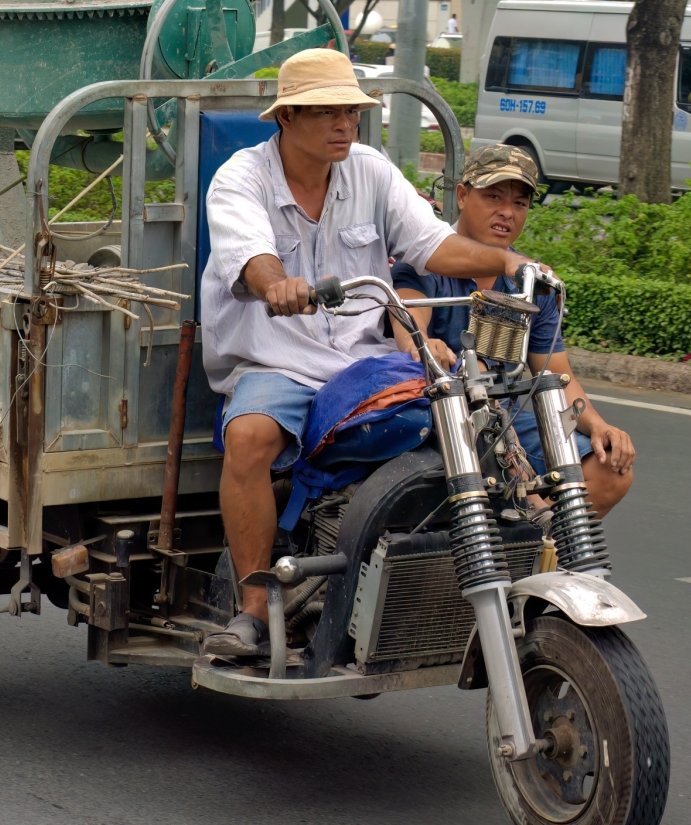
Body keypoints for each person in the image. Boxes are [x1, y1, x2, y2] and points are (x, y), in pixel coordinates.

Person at [200, 48, 543, 658]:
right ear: (288, 117)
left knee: (463, 413)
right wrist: (276, 284)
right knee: (250, 437)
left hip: (363, 360)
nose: (344, 126)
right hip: (276, 360)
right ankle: (254, 611)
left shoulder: (372, 172)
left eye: (351, 114)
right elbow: (250, 256)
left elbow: (435, 244)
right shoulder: (240, 178)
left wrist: (509, 262)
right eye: (328, 113)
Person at [390, 144, 635, 519]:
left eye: (519, 203)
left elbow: (554, 373)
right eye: (493, 197)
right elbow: (410, 327)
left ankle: (537, 556)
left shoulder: (533, 283)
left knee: (610, 471)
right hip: (436, 415)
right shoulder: (423, 263)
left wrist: (600, 425)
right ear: (462, 195)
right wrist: (425, 345)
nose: (506, 212)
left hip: (508, 413)